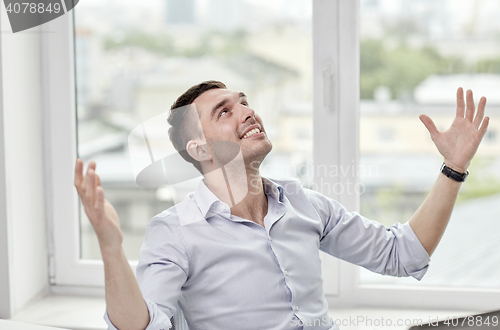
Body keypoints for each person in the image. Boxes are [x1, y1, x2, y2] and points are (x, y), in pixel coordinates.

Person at [74, 81, 489, 330]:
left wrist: (453, 167)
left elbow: (404, 253)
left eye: (243, 101)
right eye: (225, 111)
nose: (248, 111)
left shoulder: (304, 203)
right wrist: (112, 247)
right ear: (199, 147)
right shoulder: (176, 231)